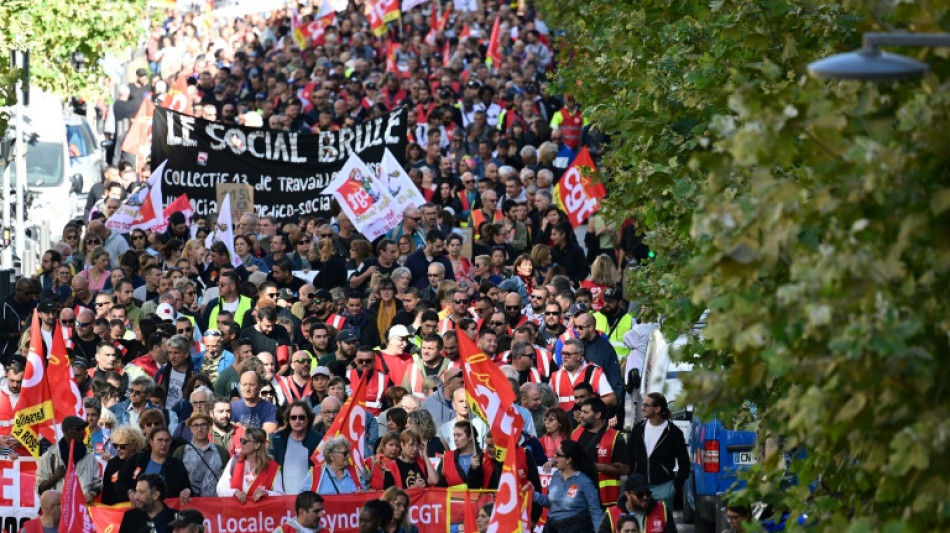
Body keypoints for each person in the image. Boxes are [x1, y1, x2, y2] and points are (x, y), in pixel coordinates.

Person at [526, 440, 604, 533]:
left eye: (558, 455)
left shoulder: (585, 482)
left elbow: (595, 512)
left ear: (568, 460)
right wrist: (533, 494)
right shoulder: (556, 476)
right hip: (552, 528)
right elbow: (552, 503)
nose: (554, 457)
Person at [629, 393, 690, 509]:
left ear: (657, 409)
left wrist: (674, 487)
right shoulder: (638, 429)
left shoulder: (673, 432)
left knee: (661, 525)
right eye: (643, 404)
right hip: (639, 488)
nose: (642, 408)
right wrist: (632, 480)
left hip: (663, 488)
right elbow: (630, 458)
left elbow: (684, 463)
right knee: (639, 525)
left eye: (646, 405)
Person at [574, 397, 629, 507]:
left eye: (585, 412)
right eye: (581, 412)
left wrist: (594, 466)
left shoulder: (615, 437)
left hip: (604, 500)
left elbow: (625, 469)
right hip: (578, 496)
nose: (581, 415)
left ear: (598, 414)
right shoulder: (576, 433)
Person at [36, 416, 101, 501]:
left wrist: (92, 493)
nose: (83, 432)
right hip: (58, 510)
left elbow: (98, 485)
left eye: (83, 429)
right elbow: (40, 490)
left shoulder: (89, 457)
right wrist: (55, 477)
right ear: (68, 431)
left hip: (81, 509)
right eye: (79, 429)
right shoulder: (49, 457)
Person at [119, 426, 192, 501]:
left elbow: (187, 486)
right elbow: (120, 483)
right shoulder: (138, 459)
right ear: (151, 442)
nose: (164, 444)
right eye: (160, 440)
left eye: (167, 440)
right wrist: (130, 492)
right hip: (139, 508)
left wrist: (186, 491)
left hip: (166, 510)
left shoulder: (177, 464)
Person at [268, 401, 323, 494]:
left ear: (308, 419)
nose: (297, 421)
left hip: (308, 499)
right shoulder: (278, 439)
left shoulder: (318, 440)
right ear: (288, 419)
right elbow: (270, 468)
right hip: (281, 497)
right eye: (293, 417)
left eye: (301, 417)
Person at [217, 427, 284, 500]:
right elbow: (220, 488)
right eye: (241, 440)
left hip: (260, 510)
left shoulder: (273, 467)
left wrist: (266, 493)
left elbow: (280, 495)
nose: (241, 444)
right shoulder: (234, 461)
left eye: (244, 441)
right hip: (237, 510)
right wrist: (235, 492)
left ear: (256, 445)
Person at [172, 413, 229, 498]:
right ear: (190, 428)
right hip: (189, 504)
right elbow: (174, 478)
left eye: (203, 425)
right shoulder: (181, 451)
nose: (200, 429)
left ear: (209, 426)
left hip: (214, 504)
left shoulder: (222, 452)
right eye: (195, 425)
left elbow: (228, 480)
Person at [596, 474, 676, 533]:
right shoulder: (612, 515)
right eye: (639, 494)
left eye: (648, 493)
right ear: (627, 495)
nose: (645, 497)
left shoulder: (662, 510)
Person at [101, 426, 147, 504]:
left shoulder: (142, 462)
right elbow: (107, 490)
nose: (118, 449)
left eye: (122, 446)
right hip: (115, 510)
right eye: (116, 446)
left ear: (133, 445)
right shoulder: (112, 463)